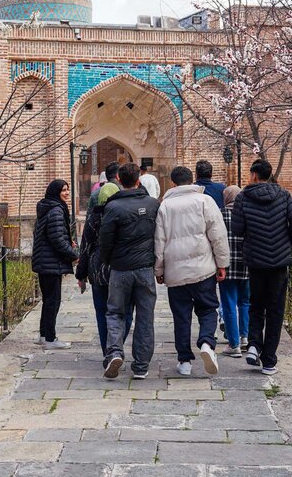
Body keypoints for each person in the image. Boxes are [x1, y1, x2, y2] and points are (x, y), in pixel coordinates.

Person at [154, 166, 230, 376]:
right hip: (203, 269)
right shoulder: (204, 201)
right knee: (208, 309)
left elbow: (159, 241)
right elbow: (218, 235)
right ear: (193, 181)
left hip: (176, 273)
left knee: (181, 316)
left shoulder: (165, 206)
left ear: (173, 183)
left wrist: (159, 270)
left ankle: (184, 361)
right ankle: (206, 342)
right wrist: (222, 263)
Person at [232, 159, 292, 375]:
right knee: (275, 310)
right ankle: (269, 360)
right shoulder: (283, 195)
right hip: (280, 263)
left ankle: (254, 345)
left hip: (256, 261)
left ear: (254, 175)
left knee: (256, 305)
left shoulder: (243, 197)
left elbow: (237, 229)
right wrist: (285, 242)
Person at [99, 162, 159, 380]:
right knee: (145, 316)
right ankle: (141, 366)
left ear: (118, 181)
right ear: (138, 180)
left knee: (115, 312)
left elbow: (105, 241)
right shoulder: (153, 204)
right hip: (144, 268)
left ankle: (115, 352)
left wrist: (106, 261)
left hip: (120, 268)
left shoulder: (113, 208)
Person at [76, 181, 132, 354]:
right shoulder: (125, 214)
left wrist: (81, 274)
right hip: (121, 269)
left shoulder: (93, 217)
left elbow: (85, 247)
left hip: (98, 271)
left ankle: (108, 350)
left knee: (102, 313)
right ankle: (117, 345)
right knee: (126, 312)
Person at [31, 179, 80, 350]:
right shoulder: (56, 210)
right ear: (55, 192)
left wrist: (68, 241)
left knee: (48, 300)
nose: (66, 193)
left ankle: (44, 335)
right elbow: (57, 239)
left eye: (68, 189)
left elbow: (53, 234)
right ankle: (50, 339)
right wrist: (74, 255)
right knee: (53, 301)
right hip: (50, 262)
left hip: (44, 261)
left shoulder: (47, 207)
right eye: (63, 190)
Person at [218, 185, 249, 358]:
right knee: (245, 302)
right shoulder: (247, 213)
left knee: (229, 304)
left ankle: (234, 343)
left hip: (226, 265)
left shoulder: (220, 214)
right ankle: (245, 337)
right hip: (246, 264)